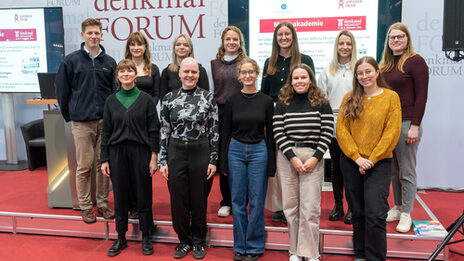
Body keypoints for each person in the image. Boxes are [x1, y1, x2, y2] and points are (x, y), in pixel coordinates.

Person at [337, 56, 401, 261]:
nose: (365, 76)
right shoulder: (349, 97)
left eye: (368, 72)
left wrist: (371, 159)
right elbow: (342, 131)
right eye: (360, 73)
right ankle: (361, 254)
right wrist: (357, 158)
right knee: (358, 211)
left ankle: (375, 258)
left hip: (379, 163)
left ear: (377, 72)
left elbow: (391, 133)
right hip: (351, 162)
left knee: (375, 214)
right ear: (356, 76)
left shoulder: (391, 97)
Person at [55, 18, 115, 224]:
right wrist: (70, 116)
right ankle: (86, 207)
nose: (93, 36)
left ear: (101, 34)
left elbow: (114, 92)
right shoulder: (70, 61)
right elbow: (62, 93)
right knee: (84, 166)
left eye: (97, 33)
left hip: (105, 122)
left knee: (103, 165)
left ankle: (103, 203)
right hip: (81, 123)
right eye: (89, 33)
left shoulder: (109, 62)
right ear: (83, 35)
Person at [159, 57, 219, 259]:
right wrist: (163, 160)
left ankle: (199, 240)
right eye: (186, 72)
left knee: (199, 199)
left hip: (200, 150)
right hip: (176, 151)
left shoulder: (208, 97)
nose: (190, 75)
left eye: (194, 72)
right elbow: (164, 131)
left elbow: (214, 131)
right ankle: (184, 240)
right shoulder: (168, 98)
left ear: (198, 74)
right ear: (180, 73)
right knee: (178, 199)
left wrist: (213, 159)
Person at [273, 64, 333, 261]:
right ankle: (295, 251)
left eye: (303, 77)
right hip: (287, 157)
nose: (299, 81)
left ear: (310, 79)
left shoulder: (321, 102)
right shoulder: (282, 103)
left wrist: (315, 157)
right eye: (296, 78)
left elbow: (327, 131)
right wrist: (293, 157)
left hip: (313, 157)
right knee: (290, 207)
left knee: (310, 208)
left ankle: (310, 252)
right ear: (291, 81)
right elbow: (278, 132)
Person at [100, 59, 159, 257]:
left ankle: (146, 236)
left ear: (135, 74)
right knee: (120, 196)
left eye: (129, 71)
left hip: (140, 152)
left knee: (144, 194)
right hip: (117, 153)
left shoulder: (147, 100)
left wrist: (153, 156)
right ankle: (121, 237)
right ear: (117, 76)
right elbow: (106, 132)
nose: (125, 74)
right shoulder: (110, 101)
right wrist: (104, 159)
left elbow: (154, 130)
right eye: (122, 71)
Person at [221, 58, 275, 261]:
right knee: (237, 201)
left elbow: (271, 135)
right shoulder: (232, 100)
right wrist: (223, 163)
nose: (247, 76)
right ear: (239, 76)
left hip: (259, 152)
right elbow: (225, 132)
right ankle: (239, 246)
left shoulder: (266, 101)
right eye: (244, 72)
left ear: (257, 73)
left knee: (257, 201)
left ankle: (253, 246)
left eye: (251, 72)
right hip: (235, 150)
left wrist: (271, 164)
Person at [261, 21, 315, 223]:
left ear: (293, 36)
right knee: (280, 161)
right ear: (276, 38)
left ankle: (301, 205)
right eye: (280, 34)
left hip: (299, 113)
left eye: (287, 33)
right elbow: (264, 94)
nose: (284, 37)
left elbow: (312, 89)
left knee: (299, 159)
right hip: (276, 114)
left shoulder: (306, 59)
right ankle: (282, 206)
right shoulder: (269, 62)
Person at [380, 22, 429, 233]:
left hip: (408, 123)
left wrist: (415, 126)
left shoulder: (415, 62)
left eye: (400, 37)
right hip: (388, 126)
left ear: (407, 39)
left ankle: (407, 212)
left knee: (406, 171)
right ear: (388, 41)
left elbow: (422, 97)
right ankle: (398, 207)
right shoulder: (384, 66)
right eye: (392, 37)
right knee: (394, 171)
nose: (396, 40)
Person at [318, 30, 357, 224]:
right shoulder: (327, 70)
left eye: (348, 43)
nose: (344, 47)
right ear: (336, 46)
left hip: (354, 122)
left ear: (353, 46)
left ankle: (352, 206)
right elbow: (321, 99)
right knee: (336, 167)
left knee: (351, 167)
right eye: (341, 43)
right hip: (332, 122)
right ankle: (338, 204)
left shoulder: (358, 68)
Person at [210, 25, 248, 218]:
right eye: (228, 39)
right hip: (221, 113)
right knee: (224, 158)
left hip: (242, 112)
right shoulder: (214, 64)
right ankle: (226, 201)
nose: (231, 42)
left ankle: (240, 200)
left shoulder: (246, 63)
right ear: (223, 42)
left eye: (235, 39)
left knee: (240, 157)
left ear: (240, 42)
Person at [124, 31, 161, 219]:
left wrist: (144, 108)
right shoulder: (123, 68)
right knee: (127, 167)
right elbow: (117, 92)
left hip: (146, 120)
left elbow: (156, 93)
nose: (136, 48)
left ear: (145, 47)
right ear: (128, 47)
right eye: (133, 44)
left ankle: (144, 206)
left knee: (143, 166)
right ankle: (132, 207)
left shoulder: (152, 68)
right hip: (126, 122)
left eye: (140, 44)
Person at [160, 34, 209, 100]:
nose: (181, 47)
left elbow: (206, 96)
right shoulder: (166, 72)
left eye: (186, 45)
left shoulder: (200, 70)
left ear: (190, 49)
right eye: (178, 44)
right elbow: (164, 99)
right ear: (174, 49)